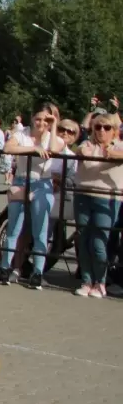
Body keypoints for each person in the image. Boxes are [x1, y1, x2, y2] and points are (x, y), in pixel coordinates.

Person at [0, 103, 66, 289]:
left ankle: (37, 272)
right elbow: (8, 148)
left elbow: (54, 149)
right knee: (14, 229)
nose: (41, 123)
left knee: (40, 231)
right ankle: (5, 267)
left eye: (46, 120)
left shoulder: (54, 137)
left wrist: (53, 127)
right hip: (21, 181)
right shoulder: (22, 134)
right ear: (32, 118)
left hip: (42, 183)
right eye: (38, 119)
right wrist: (32, 149)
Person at [73, 112, 123, 298]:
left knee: (99, 241)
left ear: (114, 131)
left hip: (107, 197)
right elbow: (80, 152)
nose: (102, 131)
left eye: (106, 127)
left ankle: (100, 281)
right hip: (83, 195)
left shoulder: (119, 146)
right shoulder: (87, 145)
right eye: (98, 127)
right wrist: (81, 152)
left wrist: (111, 153)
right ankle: (86, 281)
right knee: (83, 238)